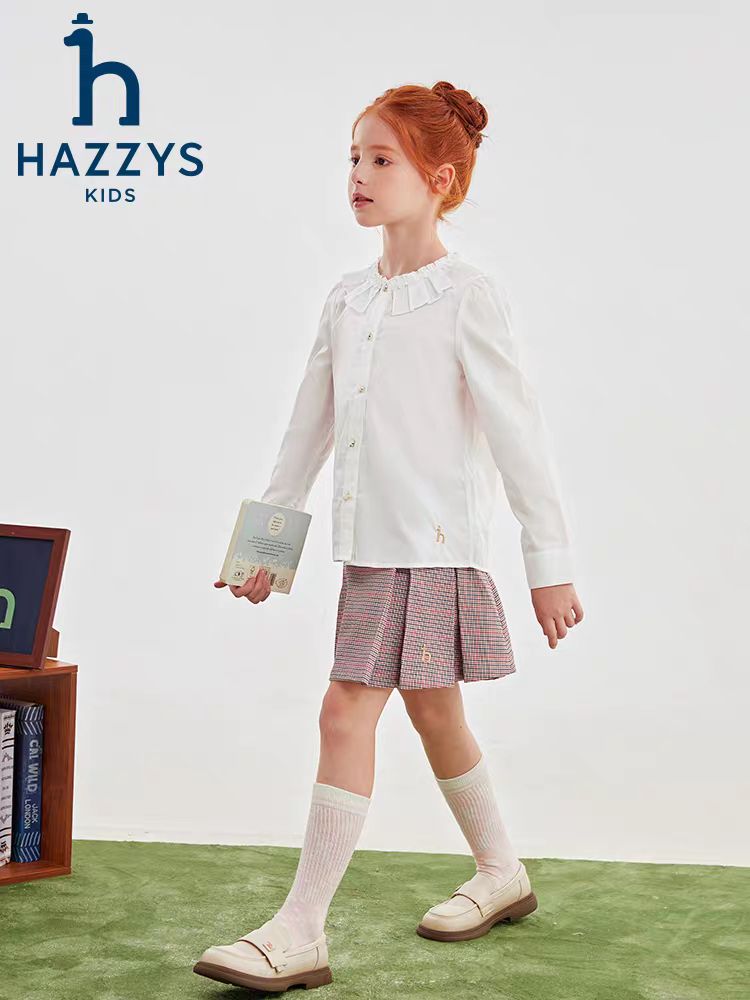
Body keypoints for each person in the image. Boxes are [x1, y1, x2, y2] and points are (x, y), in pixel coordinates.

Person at [194, 79, 584, 993]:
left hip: (433, 547)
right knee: (436, 713)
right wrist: (264, 550)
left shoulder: (469, 297)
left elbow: (519, 436)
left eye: (381, 159)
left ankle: (301, 929)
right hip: (370, 551)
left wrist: (550, 564)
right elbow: (306, 431)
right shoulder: (346, 299)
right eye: (354, 158)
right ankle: (502, 873)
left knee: (344, 711)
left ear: (438, 179)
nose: (358, 176)